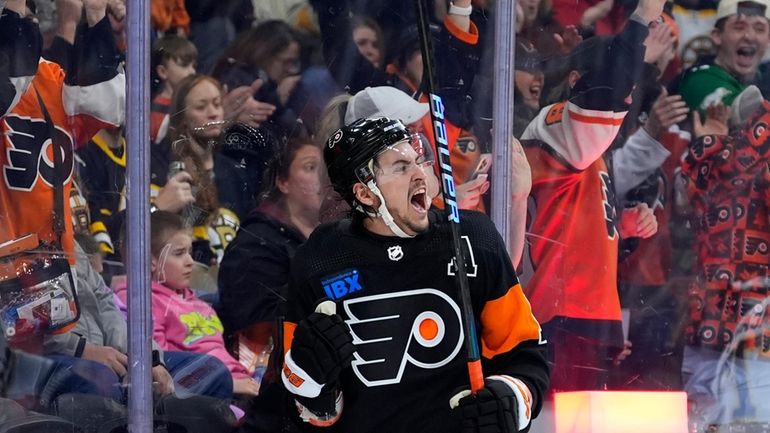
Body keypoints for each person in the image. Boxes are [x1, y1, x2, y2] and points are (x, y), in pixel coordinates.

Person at [281, 117, 549, 433]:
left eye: (418, 160)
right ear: (365, 194)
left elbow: (524, 353)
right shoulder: (320, 260)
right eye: (400, 167)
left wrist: (512, 397)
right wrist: (313, 382)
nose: (420, 174)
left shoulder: (473, 239)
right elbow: (311, 414)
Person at [518, 0, 666, 392]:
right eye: (626, 90)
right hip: (561, 311)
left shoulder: (581, 145)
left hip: (586, 311)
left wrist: (623, 226)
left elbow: (570, 216)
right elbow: (605, 94)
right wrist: (638, 22)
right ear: (575, 81)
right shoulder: (554, 121)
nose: (628, 101)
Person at [680, 92, 770, 429]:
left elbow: (686, 190)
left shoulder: (713, 155)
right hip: (758, 326)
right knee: (757, 420)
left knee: (703, 418)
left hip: (710, 316)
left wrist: (714, 139)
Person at [115, 211, 259, 397]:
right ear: (151, 261)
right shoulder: (142, 299)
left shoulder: (195, 300)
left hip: (240, 379)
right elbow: (163, 362)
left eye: (190, 252)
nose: (190, 262)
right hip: (206, 390)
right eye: (179, 253)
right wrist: (228, 383)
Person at [675, 0, 770, 113]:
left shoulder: (763, 75)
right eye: (739, 28)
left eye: (759, 29)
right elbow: (744, 117)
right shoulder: (699, 80)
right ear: (717, 35)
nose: (749, 36)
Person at [150, 35, 198, 144]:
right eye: (184, 65)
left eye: (194, 66)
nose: (192, 72)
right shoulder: (156, 112)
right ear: (163, 72)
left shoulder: (190, 103)